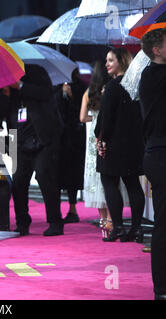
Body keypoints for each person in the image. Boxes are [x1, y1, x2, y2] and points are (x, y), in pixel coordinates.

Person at [0, 64, 64, 237]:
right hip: (20, 141)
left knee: (44, 176)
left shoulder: (36, 71)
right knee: (19, 181)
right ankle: (22, 223)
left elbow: (46, 93)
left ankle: (55, 222)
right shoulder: (5, 83)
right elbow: (2, 113)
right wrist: (5, 93)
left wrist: (19, 85)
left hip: (43, 138)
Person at [94, 47, 145, 242]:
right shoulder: (138, 85)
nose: (106, 64)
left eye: (110, 60)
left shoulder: (113, 87)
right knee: (132, 183)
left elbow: (106, 118)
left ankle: (119, 228)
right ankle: (137, 228)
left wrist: (101, 139)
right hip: (134, 143)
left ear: (121, 62)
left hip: (113, 144)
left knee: (109, 182)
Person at [80, 60, 130, 238]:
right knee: (111, 178)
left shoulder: (88, 93)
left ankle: (104, 224)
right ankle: (112, 220)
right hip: (110, 137)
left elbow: (82, 117)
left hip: (94, 140)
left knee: (96, 177)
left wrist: (94, 120)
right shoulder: (113, 89)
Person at [139, 28, 166, 300]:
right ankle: (162, 288)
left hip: (157, 153)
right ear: (156, 50)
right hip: (160, 156)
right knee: (164, 223)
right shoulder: (153, 75)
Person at [55, 69, 87, 223]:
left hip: (73, 138)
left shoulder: (80, 87)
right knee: (55, 175)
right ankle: (55, 212)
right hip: (56, 137)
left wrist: (71, 96)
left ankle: (72, 208)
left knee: (72, 174)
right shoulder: (54, 86)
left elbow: (81, 111)